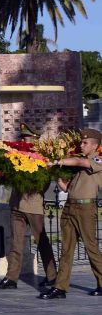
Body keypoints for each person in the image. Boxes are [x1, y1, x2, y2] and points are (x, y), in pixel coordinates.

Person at [39, 128, 102, 299]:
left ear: (95, 145)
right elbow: (68, 189)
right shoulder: (77, 166)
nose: (81, 145)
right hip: (70, 207)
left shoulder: (97, 160)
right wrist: (58, 178)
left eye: (85, 143)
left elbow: (80, 163)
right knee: (66, 249)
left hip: (85, 209)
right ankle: (60, 288)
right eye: (81, 142)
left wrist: (57, 161)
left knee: (91, 248)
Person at [0, 132, 57, 290]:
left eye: (26, 138)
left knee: (41, 242)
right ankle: (11, 278)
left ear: (34, 140)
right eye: (21, 138)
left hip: (33, 206)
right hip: (16, 205)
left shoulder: (42, 160)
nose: (23, 141)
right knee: (16, 243)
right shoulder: (15, 157)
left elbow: (44, 184)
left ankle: (52, 277)